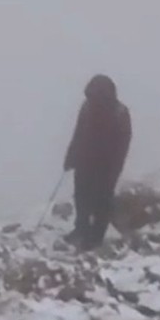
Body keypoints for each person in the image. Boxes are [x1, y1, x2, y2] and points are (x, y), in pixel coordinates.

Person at [63, 74, 132, 250]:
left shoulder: (120, 113)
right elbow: (78, 133)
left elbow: (123, 145)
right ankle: (81, 229)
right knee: (81, 196)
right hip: (84, 161)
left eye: (95, 96)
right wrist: (71, 156)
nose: (92, 100)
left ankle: (95, 238)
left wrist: (114, 172)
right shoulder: (87, 108)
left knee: (102, 201)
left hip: (106, 166)